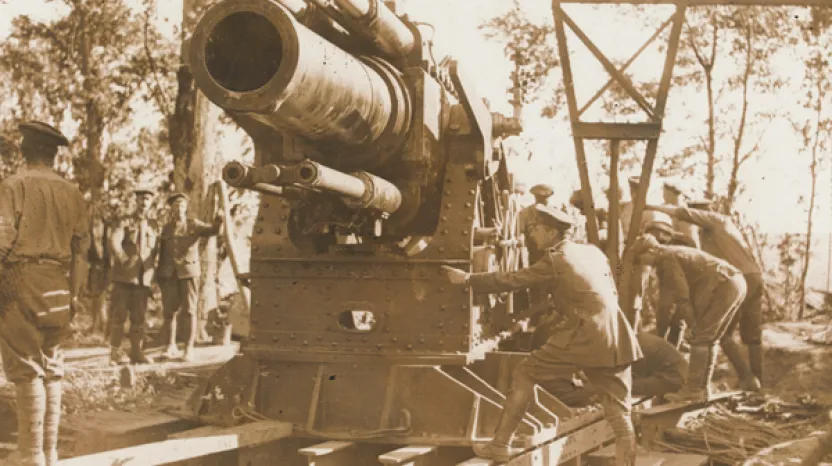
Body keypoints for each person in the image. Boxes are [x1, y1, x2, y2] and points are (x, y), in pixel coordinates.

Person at [442, 204, 641, 465]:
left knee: (525, 372)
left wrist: (468, 279)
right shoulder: (592, 252)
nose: (531, 235)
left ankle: (500, 445)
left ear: (550, 232)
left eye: (534, 229)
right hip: (616, 335)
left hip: (585, 334)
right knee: (618, 411)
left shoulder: (557, 259)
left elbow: (513, 279)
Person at [0, 121, 90, 466]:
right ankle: (49, 453)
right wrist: (74, 294)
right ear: (52, 153)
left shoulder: (13, 186)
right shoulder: (72, 193)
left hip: (20, 279)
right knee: (52, 367)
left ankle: (31, 453)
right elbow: (82, 250)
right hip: (59, 282)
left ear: (25, 149)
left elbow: (3, 242)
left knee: (26, 369)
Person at [645, 200, 765, 389]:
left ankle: (746, 379)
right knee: (750, 335)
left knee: (715, 333)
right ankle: (755, 380)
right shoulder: (714, 234)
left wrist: (650, 206)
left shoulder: (718, 221)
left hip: (738, 278)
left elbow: (682, 212)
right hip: (749, 277)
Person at [633, 235, 759, 403]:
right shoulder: (671, 253)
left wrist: (692, 324)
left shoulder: (665, 258)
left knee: (701, 337)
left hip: (724, 284)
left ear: (650, 251)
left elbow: (681, 296)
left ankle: (693, 390)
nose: (643, 264)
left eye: (641, 259)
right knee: (711, 338)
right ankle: (702, 390)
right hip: (735, 282)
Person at [535, 332, 687, 405]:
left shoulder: (630, 349)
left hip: (671, 378)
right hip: (662, 372)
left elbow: (624, 380)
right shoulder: (624, 341)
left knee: (612, 388)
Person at [157, 192, 222, 361]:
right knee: (169, 311)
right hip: (169, 274)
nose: (179, 208)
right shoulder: (166, 228)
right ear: (171, 208)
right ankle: (169, 346)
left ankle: (188, 348)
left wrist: (219, 219)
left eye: (182, 205)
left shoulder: (193, 225)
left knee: (189, 310)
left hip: (189, 273)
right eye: (176, 205)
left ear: (186, 208)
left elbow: (213, 230)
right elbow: (161, 253)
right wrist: (159, 275)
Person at [108, 186, 159, 365]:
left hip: (144, 279)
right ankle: (115, 354)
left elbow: (156, 252)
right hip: (124, 278)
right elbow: (115, 241)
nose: (144, 202)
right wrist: (123, 259)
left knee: (139, 318)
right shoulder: (125, 221)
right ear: (136, 201)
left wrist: (154, 276)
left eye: (147, 199)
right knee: (119, 316)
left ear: (151, 202)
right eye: (141, 199)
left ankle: (136, 353)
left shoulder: (154, 225)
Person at [87, 209, 111, 335]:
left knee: (102, 295)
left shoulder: (108, 233)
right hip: (94, 268)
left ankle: (102, 324)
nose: (96, 225)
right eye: (94, 221)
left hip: (107, 268)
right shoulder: (89, 235)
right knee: (96, 296)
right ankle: (97, 323)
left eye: (99, 220)